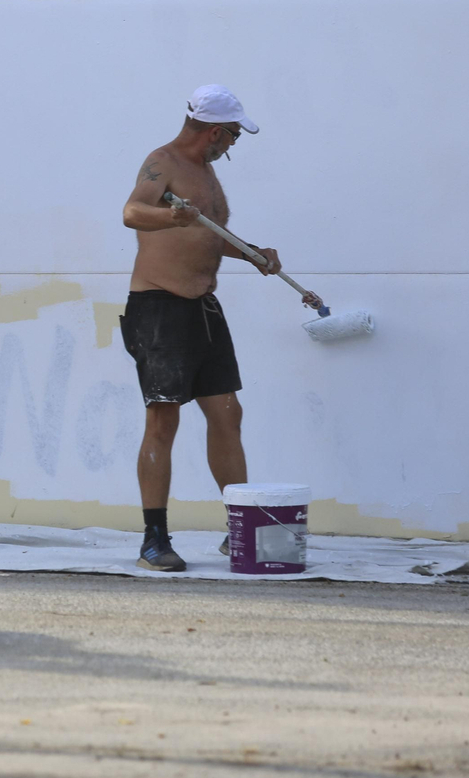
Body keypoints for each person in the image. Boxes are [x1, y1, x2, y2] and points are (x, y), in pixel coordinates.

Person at [119, 84, 307, 572]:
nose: (233, 146)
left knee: (227, 413)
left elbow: (208, 233)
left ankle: (238, 528)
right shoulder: (162, 163)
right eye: (233, 137)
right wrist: (170, 216)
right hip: (159, 307)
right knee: (164, 418)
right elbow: (132, 212)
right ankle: (154, 540)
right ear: (215, 132)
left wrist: (252, 253)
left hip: (203, 309)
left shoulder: (203, 173)